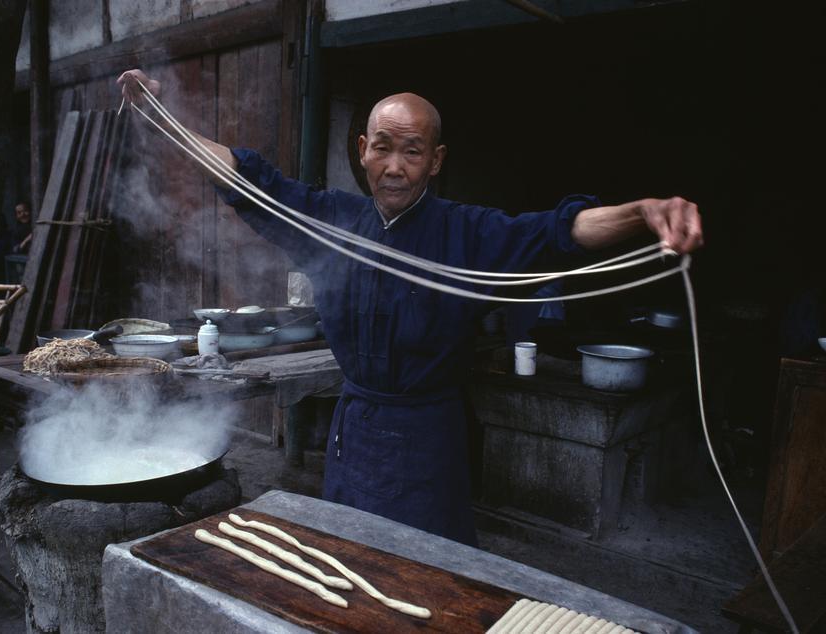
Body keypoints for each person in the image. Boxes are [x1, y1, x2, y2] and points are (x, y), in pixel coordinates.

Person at [118, 70, 703, 545]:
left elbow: (558, 231)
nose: (395, 166)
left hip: (429, 436)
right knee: (347, 567)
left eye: (413, 152)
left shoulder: (469, 234)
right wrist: (163, 121)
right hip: (356, 428)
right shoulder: (331, 222)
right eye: (383, 148)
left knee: (427, 579)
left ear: (437, 160)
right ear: (362, 150)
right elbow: (250, 182)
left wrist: (643, 213)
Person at [0, 201, 32, 281]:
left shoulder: (34, 225)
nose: (23, 214)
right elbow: (15, 249)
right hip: (23, 265)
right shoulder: (16, 232)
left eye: (25, 211)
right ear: (16, 216)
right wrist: (26, 240)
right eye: (19, 213)